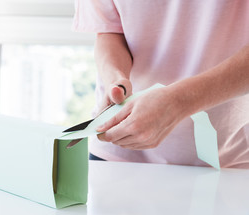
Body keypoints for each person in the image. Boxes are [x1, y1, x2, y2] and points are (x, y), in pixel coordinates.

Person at [73, 1, 249, 168]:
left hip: (226, 158)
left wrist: (180, 101)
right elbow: (109, 31)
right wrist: (115, 80)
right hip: (116, 154)